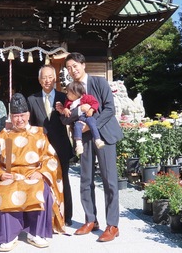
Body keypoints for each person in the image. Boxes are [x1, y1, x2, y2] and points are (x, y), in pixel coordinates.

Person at [0, 93, 65, 252]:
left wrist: (42, 172)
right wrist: (0, 174)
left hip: (33, 174)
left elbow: (50, 157)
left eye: (22, 115)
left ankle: (36, 233)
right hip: (10, 175)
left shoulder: (39, 133)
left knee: (41, 189)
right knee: (5, 190)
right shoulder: (5, 135)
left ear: (28, 115)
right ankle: (9, 235)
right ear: (11, 116)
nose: (19, 119)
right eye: (16, 116)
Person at [57, 52, 123, 242]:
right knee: (86, 179)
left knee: (109, 181)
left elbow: (110, 108)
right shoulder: (70, 89)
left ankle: (112, 225)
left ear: (83, 64)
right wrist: (65, 113)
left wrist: (90, 125)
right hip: (84, 139)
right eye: (69, 68)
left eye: (75, 65)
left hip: (104, 136)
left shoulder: (99, 82)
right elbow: (66, 118)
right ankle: (91, 220)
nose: (73, 70)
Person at [27, 64, 74, 226]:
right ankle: (45, 215)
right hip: (41, 148)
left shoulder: (64, 97)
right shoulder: (32, 99)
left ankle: (66, 216)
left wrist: (64, 113)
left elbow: (70, 120)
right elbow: (31, 125)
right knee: (43, 180)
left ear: (55, 79)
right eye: (43, 77)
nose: (47, 80)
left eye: (50, 77)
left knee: (64, 180)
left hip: (61, 145)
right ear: (39, 80)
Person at [57, 81, 105, 156]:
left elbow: (95, 103)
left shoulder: (86, 97)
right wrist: (65, 110)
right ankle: (79, 144)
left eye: (69, 93)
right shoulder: (68, 102)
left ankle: (97, 139)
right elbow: (66, 110)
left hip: (87, 116)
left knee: (92, 123)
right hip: (78, 120)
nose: (67, 95)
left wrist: (91, 110)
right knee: (77, 127)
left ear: (75, 93)